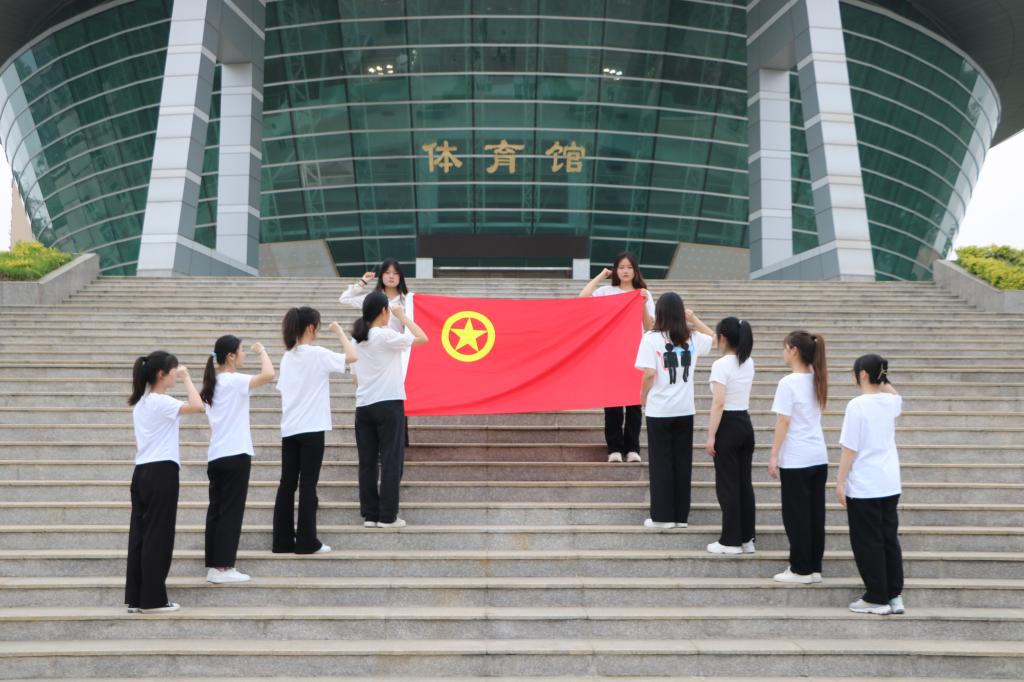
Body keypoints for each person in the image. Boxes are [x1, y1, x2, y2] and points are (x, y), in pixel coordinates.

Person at [273, 307, 358, 554]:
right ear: (311, 327)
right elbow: (352, 356)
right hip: (311, 428)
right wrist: (340, 332)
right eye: (318, 326)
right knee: (308, 484)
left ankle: (282, 541)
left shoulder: (287, 357)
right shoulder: (317, 354)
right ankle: (307, 541)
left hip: (290, 428)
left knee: (287, 484)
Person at [126, 351, 204, 614]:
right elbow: (198, 406)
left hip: (141, 472)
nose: (176, 374)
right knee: (159, 535)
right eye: (173, 371)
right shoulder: (161, 402)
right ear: (162, 374)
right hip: (161, 472)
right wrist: (187, 378)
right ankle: (153, 599)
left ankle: (138, 598)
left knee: (141, 535)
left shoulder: (141, 402)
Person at [199, 335, 276, 584]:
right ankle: (223, 567)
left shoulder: (212, 384)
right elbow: (269, 374)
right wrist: (262, 351)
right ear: (231, 356)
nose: (244, 355)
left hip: (217, 456)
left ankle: (215, 566)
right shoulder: (233, 380)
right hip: (235, 454)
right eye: (242, 351)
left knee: (217, 511)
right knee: (231, 512)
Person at [635, 292, 714, 529]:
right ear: (681, 312)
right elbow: (716, 339)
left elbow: (649, 373)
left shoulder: (651, 339)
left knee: (661, 463)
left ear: (659, 312)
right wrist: (694, 318)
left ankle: (662, 517)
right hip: (685, 409)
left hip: (659, 409)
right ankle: (680, 516)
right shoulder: (691, 337)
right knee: (682, 463)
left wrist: (642, 396)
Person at [352, 292, 428, 528]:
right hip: (388, 402)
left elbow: (355, 377)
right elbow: (422, 338)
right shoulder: (385, 335)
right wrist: (402, 317)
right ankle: (387, 516)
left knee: (367, 462)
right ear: (384, 311)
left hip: (363, 405)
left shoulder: (357, 339)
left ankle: (370, 515)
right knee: (391, 459)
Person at [837, 354, 905, 616]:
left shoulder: (857, 405)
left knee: (868, 541)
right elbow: (895, 395)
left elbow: (850, 448)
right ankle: (894, 595)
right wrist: (882, 377)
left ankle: (876, 596)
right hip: (889, 482)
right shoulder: (890, 403)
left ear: (862, 374)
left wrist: (840, 481)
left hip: (865, 484)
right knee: (888, 539)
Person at [580, 251, 655, 463]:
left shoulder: (643, 294)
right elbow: (583, 298)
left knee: (634, 404)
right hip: (611, 355)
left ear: (635, 270)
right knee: (612, 403)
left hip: (637, 355)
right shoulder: (606, 292)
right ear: (615, 270)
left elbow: (649, 327)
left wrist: (642, 303)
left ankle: (632, 448)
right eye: (621, 267)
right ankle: (614, 448)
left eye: (629, 267)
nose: (625, 271)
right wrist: (600, 276)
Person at [769, 331, 829, 585]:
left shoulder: (788, 383)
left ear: (793, 350)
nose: (783, 352)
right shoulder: (817, 378)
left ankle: (800, 569)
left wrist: (774, 454)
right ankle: (813, 567)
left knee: (796, 515)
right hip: (818, 456)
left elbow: (784, 421)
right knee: (815, 514)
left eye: (784, 348)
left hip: (796, 458)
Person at [704, 317, 756, 555]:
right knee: (744, 484)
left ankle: (730, 541)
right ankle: (746, 538)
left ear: (723, 338)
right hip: (745, 423)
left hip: (728, 425)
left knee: (728, 486)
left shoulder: (721, 365)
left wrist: (711, 435)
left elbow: (719, 402)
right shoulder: (748, 362)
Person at [339, 258, 415, 333]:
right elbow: (344, 300)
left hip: (399, 340)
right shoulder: (372, 298)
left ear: (400, 277)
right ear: (381, 276)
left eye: (395, 273)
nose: (391, 276)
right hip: (375, 340)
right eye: (387, 272)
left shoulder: (408, 300)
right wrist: (362, 282)